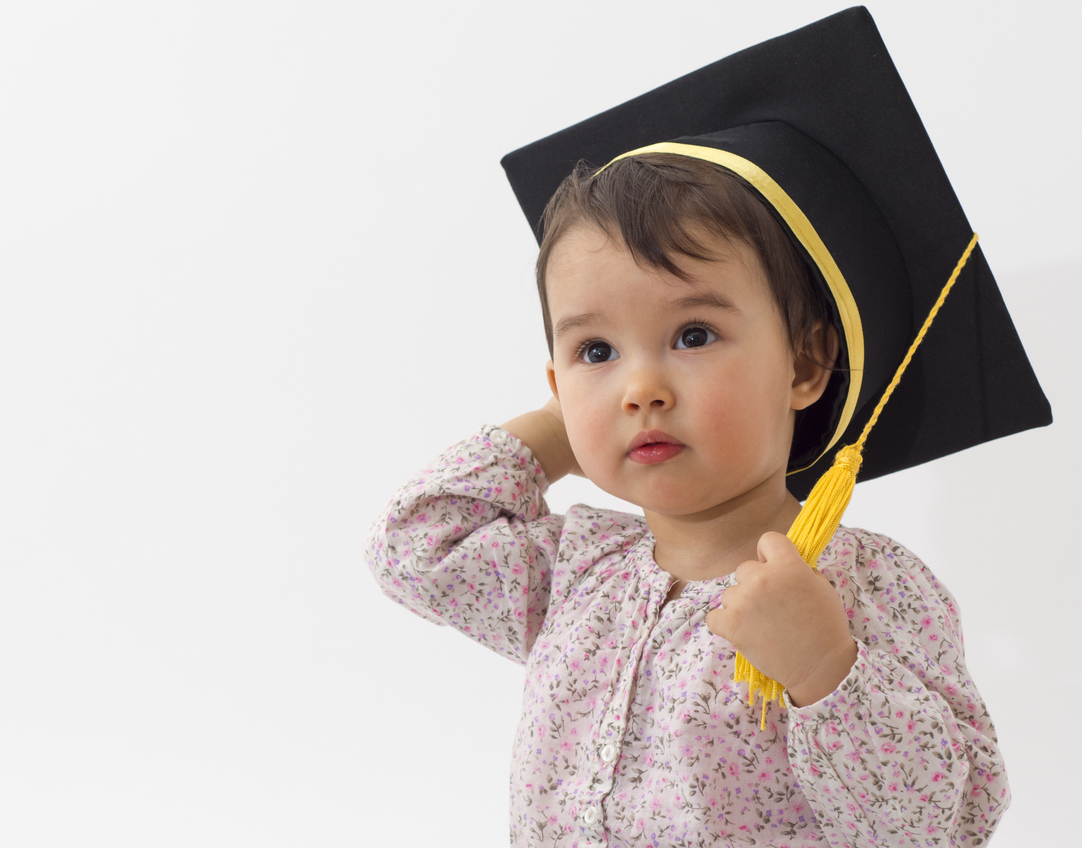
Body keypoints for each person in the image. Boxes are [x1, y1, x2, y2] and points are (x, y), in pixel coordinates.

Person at [363, 9, 1048, 846]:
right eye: (595, 349)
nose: (640, 387)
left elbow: (947, 823)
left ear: (803, 368)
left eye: (692, 336)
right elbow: (415, 546)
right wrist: (557, 425)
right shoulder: (574, 577)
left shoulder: (863, 589)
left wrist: (826, 671)